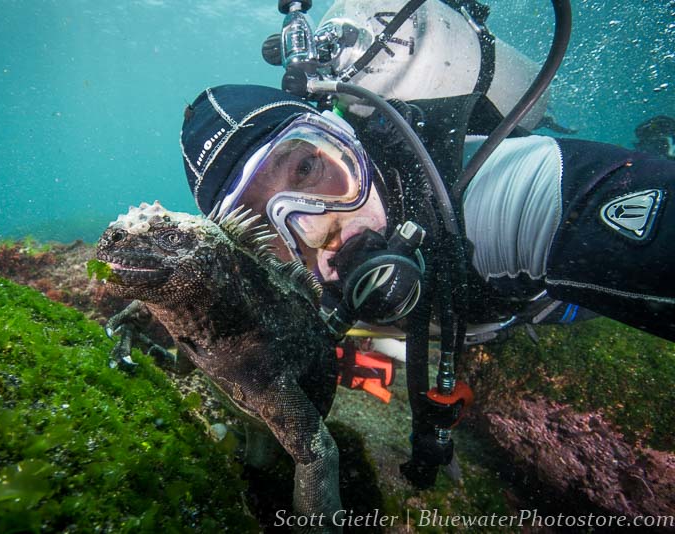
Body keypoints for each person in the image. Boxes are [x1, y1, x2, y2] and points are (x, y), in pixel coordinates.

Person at [178, 83, 675, 486]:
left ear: (348, 142)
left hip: (553, 304)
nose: (315, 233)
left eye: (307, 168)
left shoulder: (503, 196)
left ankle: (659, 144)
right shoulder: (296, 288)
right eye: (264, 228)